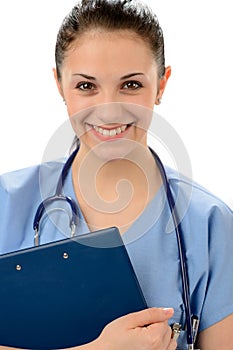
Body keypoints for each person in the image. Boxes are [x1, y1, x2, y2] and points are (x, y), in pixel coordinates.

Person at [0, 0, 232, 349]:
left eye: (132, 85)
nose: (108, 109)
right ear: (59, 85)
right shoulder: (6, 203)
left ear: (162, 84)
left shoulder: (210, 225)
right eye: (86, 86)